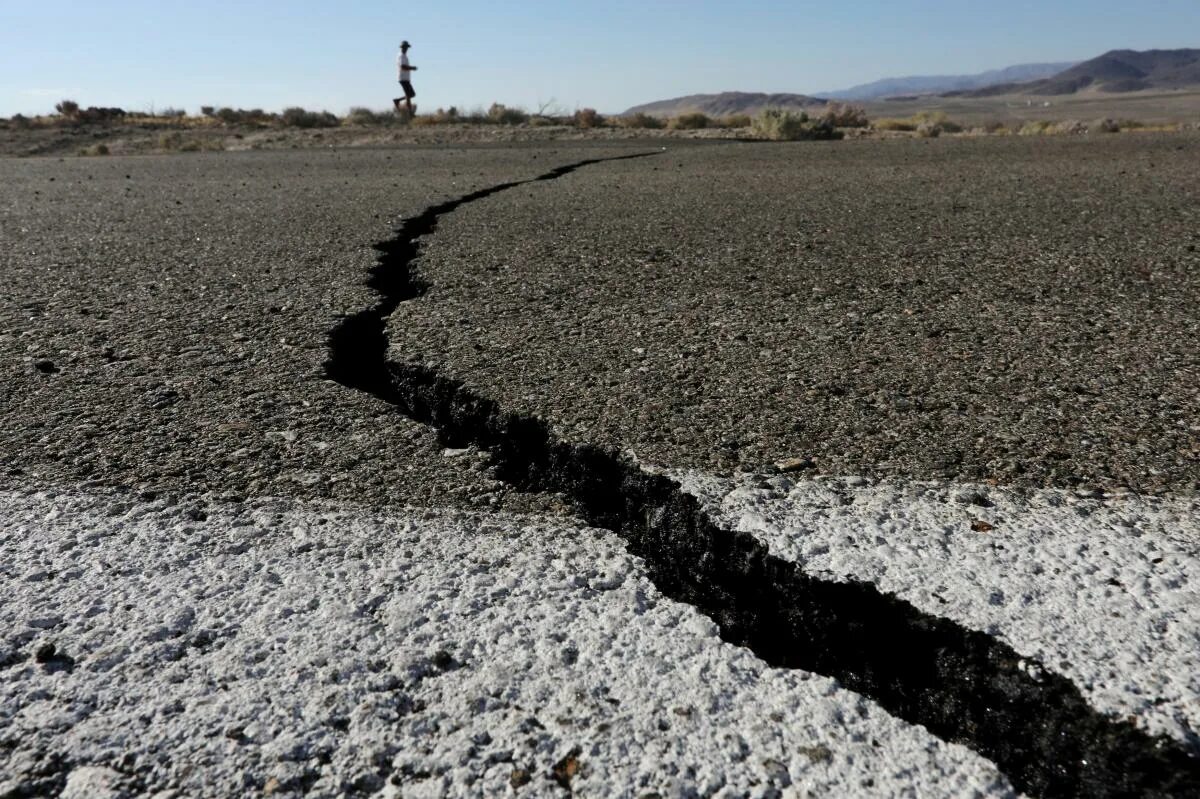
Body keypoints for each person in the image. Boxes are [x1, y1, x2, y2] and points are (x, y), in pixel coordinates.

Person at [393, 41, 418, 115]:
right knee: (408, 95)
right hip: (403, 78)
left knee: (411, 94)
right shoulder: (401, 56)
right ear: (402, 47)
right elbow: (402, 67)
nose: (406, 49)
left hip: (406, 78)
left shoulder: (403, 56)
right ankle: (410, 113)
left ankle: (397, 100)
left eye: (407, 47)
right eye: (405, 47)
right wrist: (412, 68)